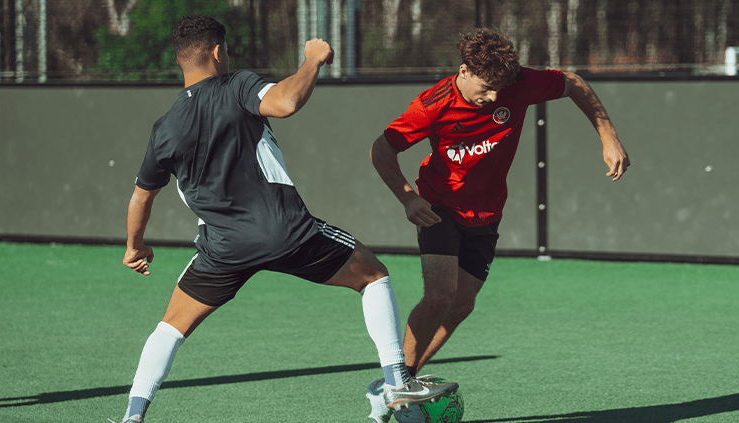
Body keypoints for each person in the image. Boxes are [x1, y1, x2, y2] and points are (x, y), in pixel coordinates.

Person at [111, 14, 457, 423]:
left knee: (170, 327)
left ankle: (133, 416)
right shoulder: (236, 85)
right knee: (374, 276)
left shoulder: (164, 127)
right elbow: (286, 102)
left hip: (223, 248)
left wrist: (134, 246)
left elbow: (141, 196)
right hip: (284, 232)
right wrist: (313, 59)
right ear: (217, 52)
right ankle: (397, 382)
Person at [370, 29, 630, 381]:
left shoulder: (518, 84)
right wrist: (406, 197)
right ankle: (397, 383)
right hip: (438, 205)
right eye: (486, 87)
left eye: (499, 88)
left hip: (487, 212)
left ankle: (407, 377)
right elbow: (382, 149)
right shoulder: (431, 106)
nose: (493, 97)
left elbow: (573, 84)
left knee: (463, 303)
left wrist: (608, 136)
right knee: (440, 295)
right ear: (464, 71)